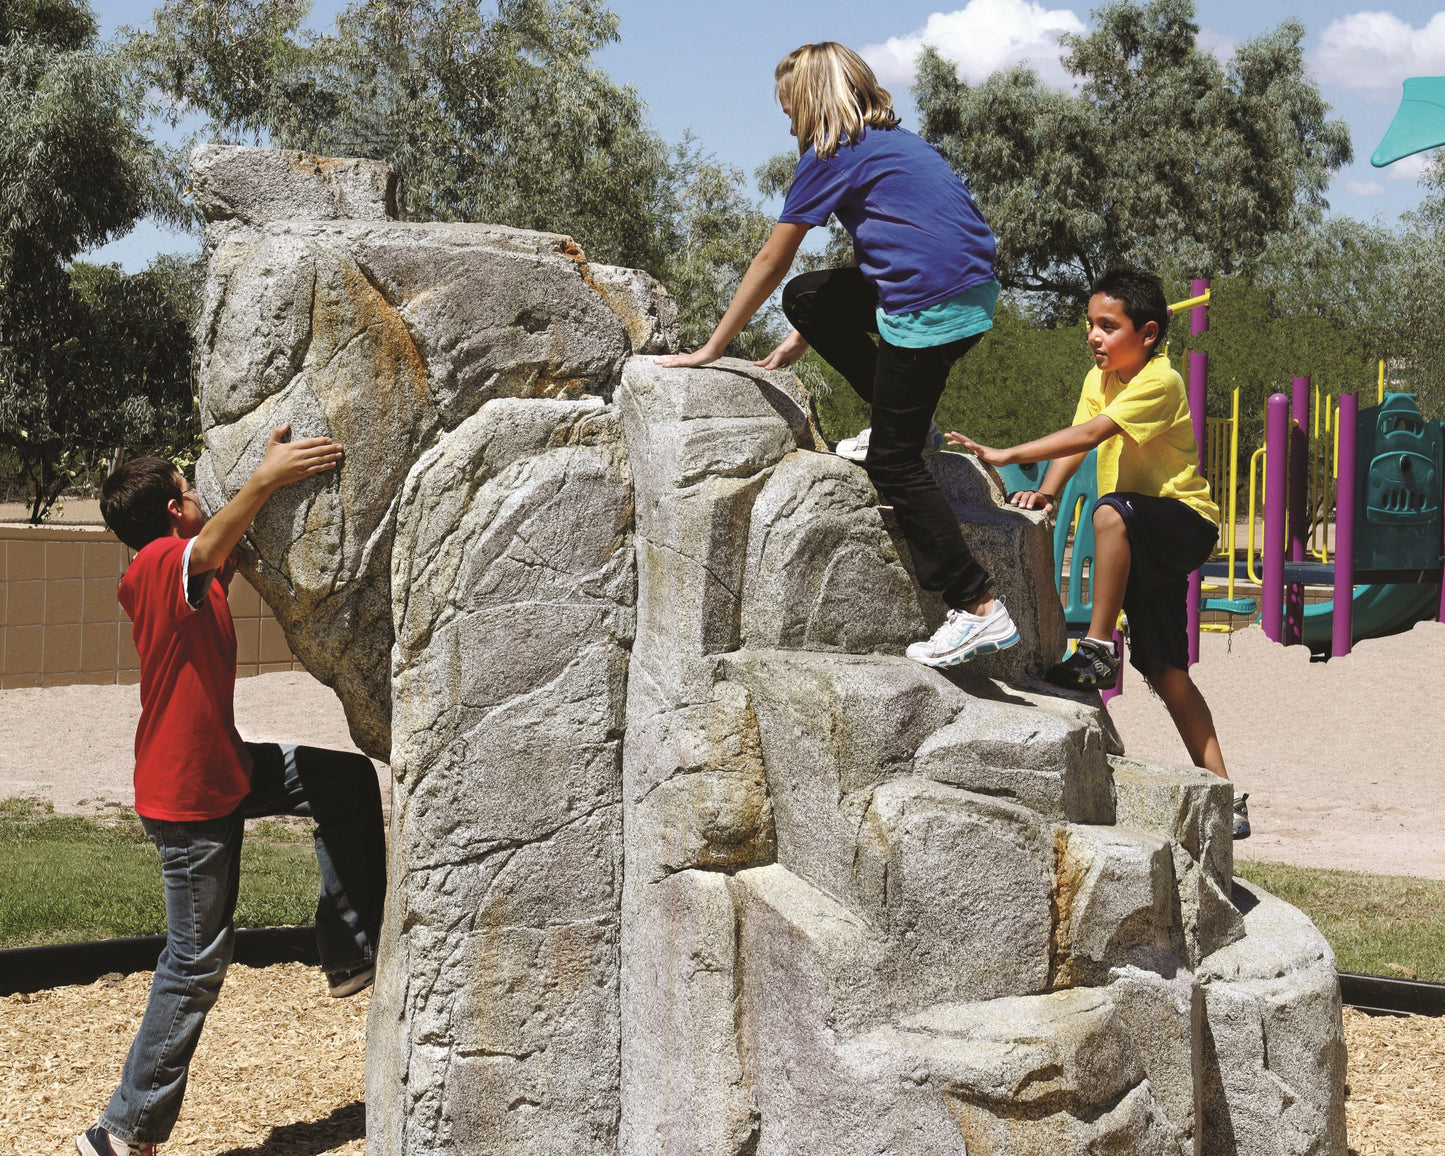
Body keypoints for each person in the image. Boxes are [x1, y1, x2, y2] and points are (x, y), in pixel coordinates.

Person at [656, 40, 1018, 668]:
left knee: (893, 461)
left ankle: (977, 605)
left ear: (812, 100)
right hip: (973, 294)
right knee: (810, 299)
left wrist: (713, 347)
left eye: (788, 104)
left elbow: (773, 259)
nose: (786, 117)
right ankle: (905, 416)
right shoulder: (898, 143)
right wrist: (814, 325)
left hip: (929, 304)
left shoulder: (830, 151)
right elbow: (905, 236)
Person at [80, 425, 387, 1156]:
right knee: (194, 961)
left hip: (225, 768)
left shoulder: (184, 570)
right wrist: (267, 475)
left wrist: (262, 461)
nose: (198, 497)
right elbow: (210, 549)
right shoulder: (159, 565)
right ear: (171, 515)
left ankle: (347, 951)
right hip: (188, 796)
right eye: (189, 493)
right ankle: (121, 1130)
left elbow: (225, 551)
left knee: (343, 780)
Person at [946, 266, 1249, 838]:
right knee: (1166, 671)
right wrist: (1047, 488)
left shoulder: (1159, 381)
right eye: (1090, 324)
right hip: (1140, 532)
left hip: (1184, 521)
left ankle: (1098, 649)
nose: (1094, 336)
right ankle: (1227, 797)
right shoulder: (1099, 378)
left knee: (1111, 510)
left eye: (1108, 326)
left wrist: (1007, 453)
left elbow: (1090, 437)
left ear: (1150, 333)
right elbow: (1080, 431)